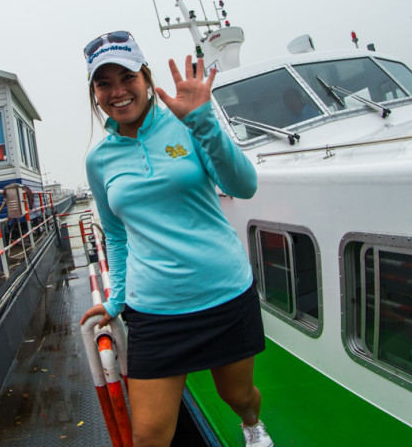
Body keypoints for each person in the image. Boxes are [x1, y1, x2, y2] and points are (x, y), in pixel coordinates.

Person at [79, 31, 274, 447]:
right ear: (94, 92)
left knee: (238, 396)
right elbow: (115, 235)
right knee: (148, 434)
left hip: (223, 292)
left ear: (146, 78)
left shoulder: (188, 122)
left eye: (126, 76)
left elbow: (244, 186)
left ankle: (252, 426)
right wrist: (117, 300)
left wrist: (202, 121)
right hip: (154, 309)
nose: (117, 91)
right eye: (103, 82)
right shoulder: (98, 160)